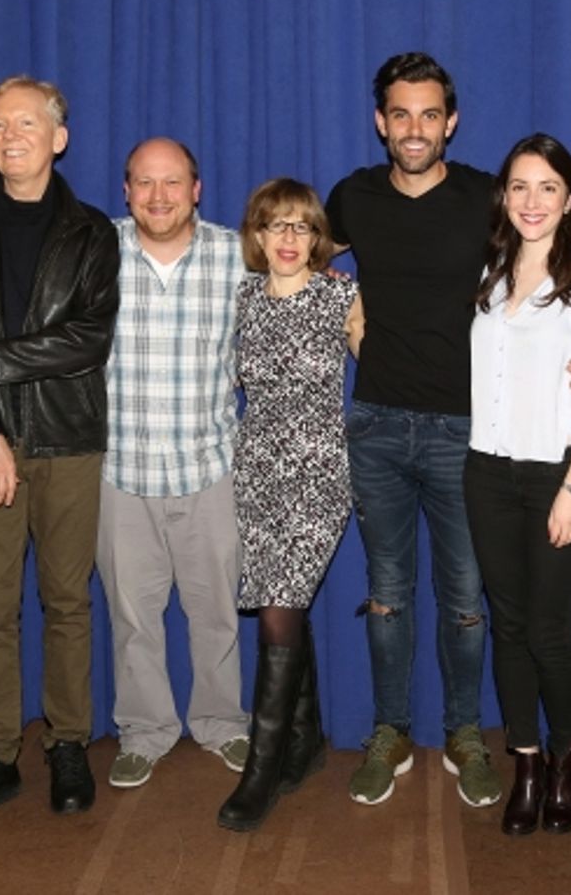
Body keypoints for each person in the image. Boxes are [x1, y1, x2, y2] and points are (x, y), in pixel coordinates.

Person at [0, 75, 120, 823]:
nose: (10, 135)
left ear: (57, 138)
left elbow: (87, 341)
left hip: (71, 441)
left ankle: (68, 743)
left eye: (26, 124)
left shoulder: (92, 231)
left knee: (68, 602)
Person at [326, 51, 500, 809]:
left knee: (465, 597)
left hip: (465, 428)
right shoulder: (353, 196)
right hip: (377, 426)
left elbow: (556, 261)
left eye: (430, 114)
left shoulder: (489, 197)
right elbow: (284, 242)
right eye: (401, 114)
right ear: (381, 122)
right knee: (388, 592)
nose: (415, 128)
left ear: (450, 122)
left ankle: (465, 732)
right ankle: (390, 730)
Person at [465, 133, 571, 836]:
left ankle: (565, 758)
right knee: (511, 625)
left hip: (556, 474)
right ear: (505, 196)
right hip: (487, 474)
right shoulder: (490, 273)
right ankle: (524, 760)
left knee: (553, 632)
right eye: (520, 186)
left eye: (547, 187)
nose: (533, 201)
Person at [98, 137, 250, 791]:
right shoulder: (90, 251)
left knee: (217, 612)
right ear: (126, 191)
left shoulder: (238, 255)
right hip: (118, 474)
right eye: (143, 183)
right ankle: (144, 732)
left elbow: (305, 268)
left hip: (209, 468)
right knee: (132, 620)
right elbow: (17, 230)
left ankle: (222, 724)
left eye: (172, 183)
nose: (158, 196)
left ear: (197, 189)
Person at [217, 179, 360, 831]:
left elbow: (392, 367)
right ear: (256, 235)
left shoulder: (340, 295)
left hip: (319, 475)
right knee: (286, 607)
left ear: (317, 238)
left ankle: (263, 768)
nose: (286, 239)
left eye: (300, 227)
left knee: (278, 609)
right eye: (275, 225)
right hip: (257, 473)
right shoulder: (243, 299)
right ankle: (305, 744)